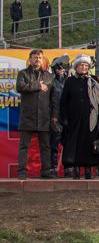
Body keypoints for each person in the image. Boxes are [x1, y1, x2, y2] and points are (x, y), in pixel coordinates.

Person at [59, 55, 99, 179]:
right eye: (81, 65)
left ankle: (89, 170)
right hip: (74, 119)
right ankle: (76, 170)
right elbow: (64, 101)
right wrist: (64, 118)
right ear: (76, 67)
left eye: (86, 65)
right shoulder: (70, 81)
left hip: (91, 119)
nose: (83, 67)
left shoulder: (94, 79)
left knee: (89, 144)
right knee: (75, 145)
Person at [15, 49, 55, 179]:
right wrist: (37, 86)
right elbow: (20, 87)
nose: (37, 59)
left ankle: (46, 171)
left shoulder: (49, 76)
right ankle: (21, 173)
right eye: (35, 57)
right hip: (27, 116)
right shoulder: (23, 73)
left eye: (39, 57)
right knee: (24, 146)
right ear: (30, 59)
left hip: (44, 117)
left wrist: (55, 116)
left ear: (42, 59)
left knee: (46, 146)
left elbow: (54, 98)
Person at [49, 54, 70, 176]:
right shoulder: (51, 81)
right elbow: (50, 101)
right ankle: (52, 167)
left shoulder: (69, 80)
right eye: (59, 66)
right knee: (54, 143)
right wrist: (53, 116)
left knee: (67, 143)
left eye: (63, 66)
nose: (61, 69)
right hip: (55, 117)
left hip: (67, 117)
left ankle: (68, 168)